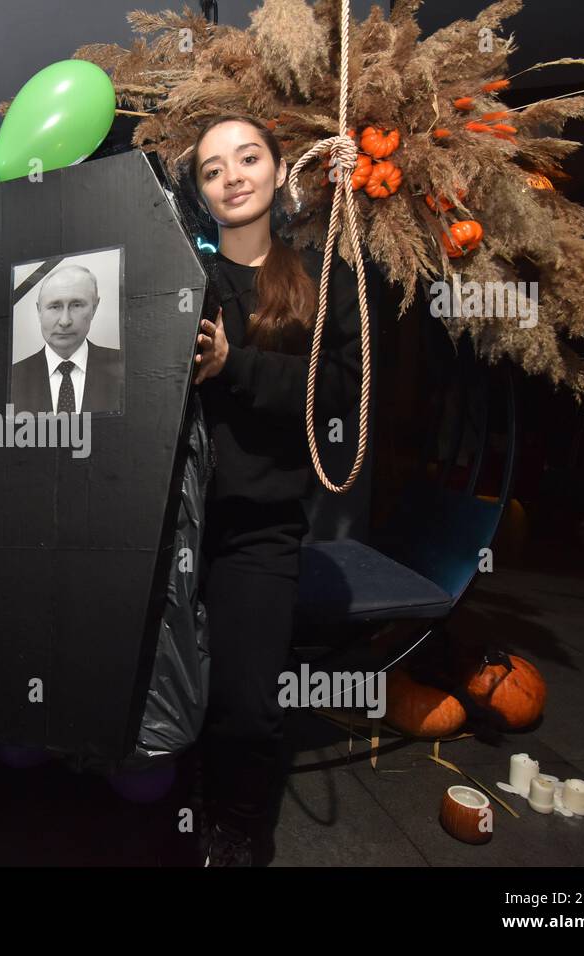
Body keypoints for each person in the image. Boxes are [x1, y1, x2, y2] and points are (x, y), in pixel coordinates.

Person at [187, 114, 364, 865]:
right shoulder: (185, 280)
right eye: (211, 168)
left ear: (278, 168)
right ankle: (178, 804)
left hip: (260, 527)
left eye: (248, 157)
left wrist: (237, 367)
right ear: (199, 194)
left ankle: (239, 830)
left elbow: (339, 397)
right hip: (173, 524)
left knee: (249, 706)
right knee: (173, 689)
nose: (231, 174)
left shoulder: (327, 285)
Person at [10, 263, 124, 415]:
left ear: (94, 308)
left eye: (76, 305)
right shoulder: (13, 378)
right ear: (39, 311)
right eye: (55, 306)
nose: (65, 321)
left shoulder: (123, 367)